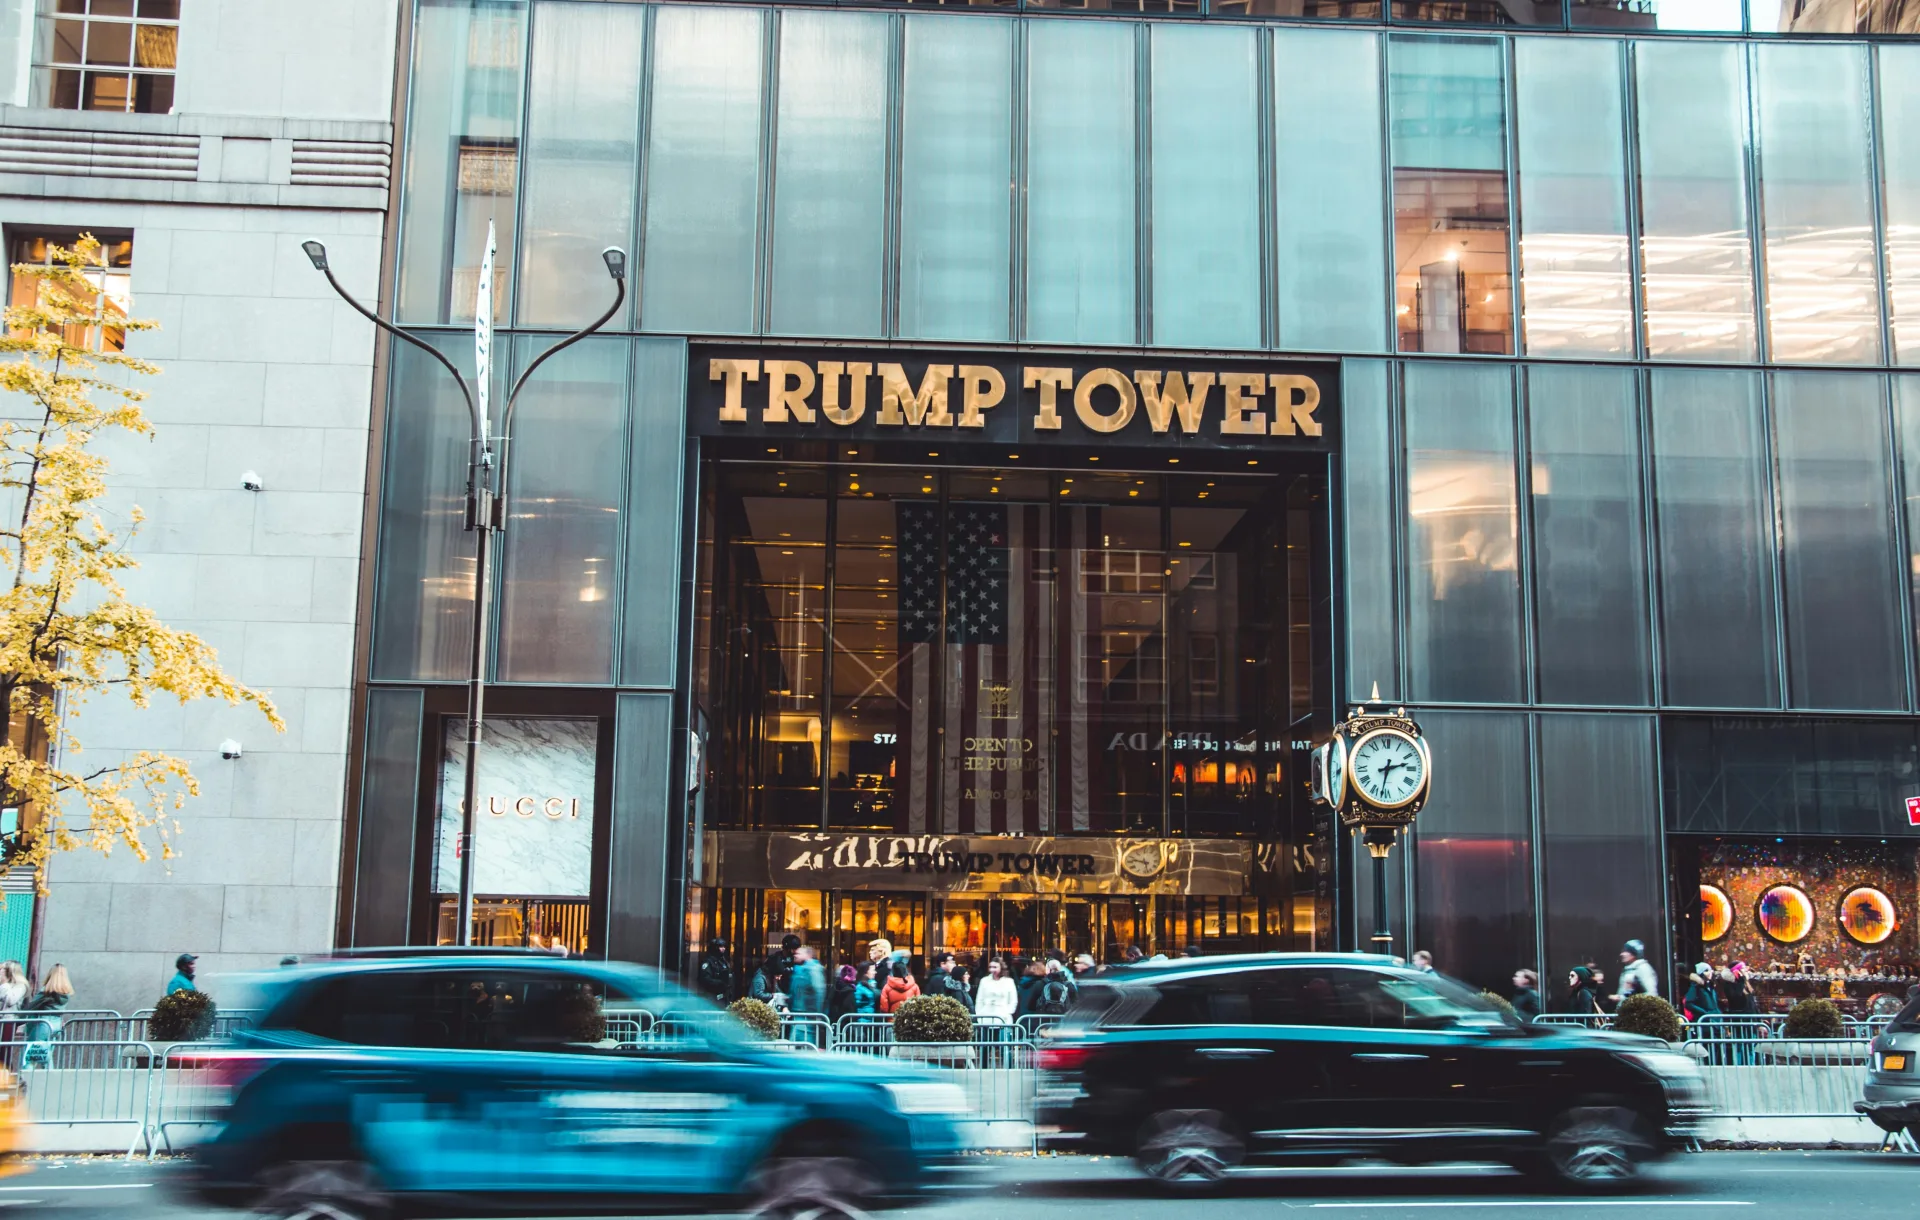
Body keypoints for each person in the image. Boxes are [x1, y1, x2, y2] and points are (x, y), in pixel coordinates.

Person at [20, 964, 72, 1043]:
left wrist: (19, 1020)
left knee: (32, 1051)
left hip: (43, 1023)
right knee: (47, 1052)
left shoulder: (45, 992)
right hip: (57, 1024)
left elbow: (32, 1006)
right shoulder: (66, 994)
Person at [974, 956, 1019, 1025]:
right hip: (986, 1018)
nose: (992, 970)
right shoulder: (984, 981)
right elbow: (979, 999)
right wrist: (979, 1015)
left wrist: (1007, 1012)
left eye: (995, 967)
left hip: (1003, 1019)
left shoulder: (1009, 982)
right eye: (990, 967)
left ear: (1001, 967)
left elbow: (1013, 1000)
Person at [1612, 939, 1659, 1005]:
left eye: (1626, 951)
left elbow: (1652, 993)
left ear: (1634, 953)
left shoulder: (1643, 968)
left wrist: (1629, 1000)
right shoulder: (1628, 969)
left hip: (1636, 1012)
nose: (1622, 954)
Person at [788, 946, 827, 1017]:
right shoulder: (800, 970)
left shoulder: (813, 969)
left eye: (798, 953)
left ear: (807, 955)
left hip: (807, 1014)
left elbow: (818, 992)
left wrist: (818, 1013)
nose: (795, 955)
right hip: (798, 1012)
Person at [696, 938, 734, 1005]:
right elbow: (705, 979)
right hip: (712, 997)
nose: (723, 949)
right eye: (721, 947)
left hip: (724, 996)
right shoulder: (708, 962)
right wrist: (721, 982)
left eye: (724, 947)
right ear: (715, 948)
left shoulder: (723, 961)